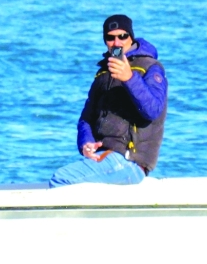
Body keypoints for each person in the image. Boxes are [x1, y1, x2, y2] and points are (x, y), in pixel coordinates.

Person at [49, 14, 167, 188]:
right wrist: (86, 143)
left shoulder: (150, 67)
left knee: (62, 179)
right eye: (110, 38)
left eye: (122, 36)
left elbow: (153, 110)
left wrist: (129, 78)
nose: (117, 43)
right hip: (105, 157)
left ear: (131, 37)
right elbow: (86, 118)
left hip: (130, 162)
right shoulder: (104, 72)